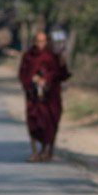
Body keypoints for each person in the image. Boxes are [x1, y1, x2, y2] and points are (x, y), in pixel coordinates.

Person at [18, 31, 71, 162]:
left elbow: (62, 75)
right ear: (34, 42)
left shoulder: (52, 56)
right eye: (38, 41)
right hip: (34, 97)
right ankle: (35, 151)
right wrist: (33, 81)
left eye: (43, 41)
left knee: (50, 122)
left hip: (51, 97)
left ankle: (47, 151)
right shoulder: (28, 56)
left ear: (47, 42)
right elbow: (23, 74)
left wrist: (62, 64)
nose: (40, 44)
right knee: (33, 123)